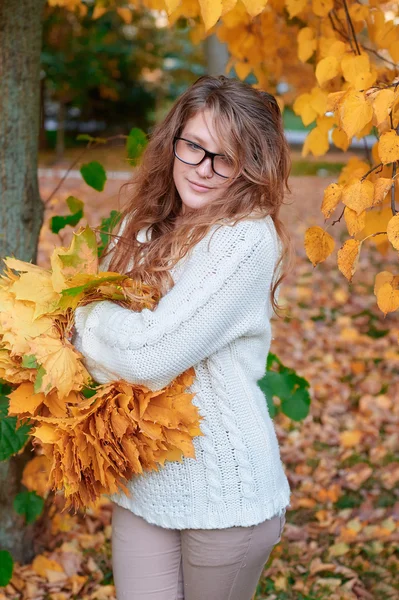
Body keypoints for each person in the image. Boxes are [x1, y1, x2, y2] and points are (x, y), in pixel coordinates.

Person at [73, 74, 294, 600]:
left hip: (226, 494)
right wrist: (108, 336)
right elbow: (112, 354)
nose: (203, 169)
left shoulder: (245, 240)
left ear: (250, 166)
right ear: (174, 138)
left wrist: (84, 321)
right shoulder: (142, 224)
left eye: (226, 157)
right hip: (145, 477)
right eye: (194, 147)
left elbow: (148, 354)